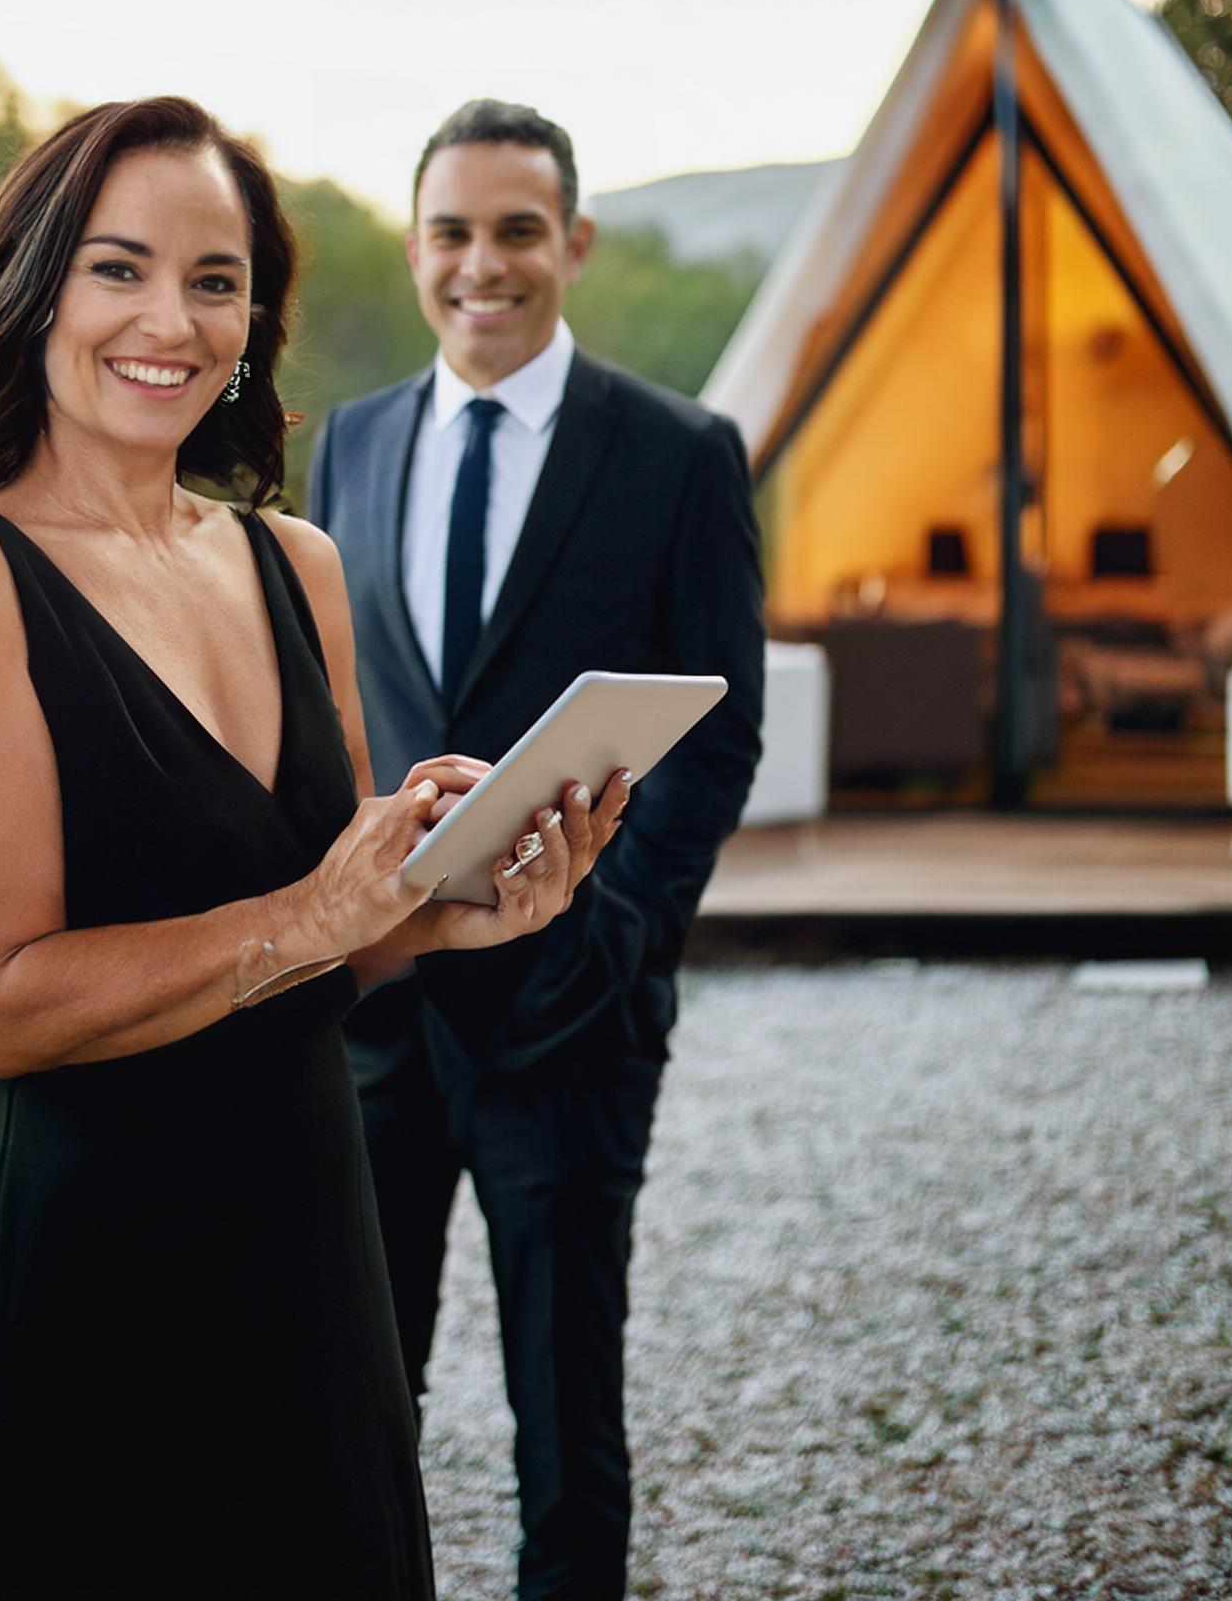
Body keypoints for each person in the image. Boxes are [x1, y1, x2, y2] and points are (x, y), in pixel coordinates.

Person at [0, 95, 628, 1601]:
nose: (173, 320)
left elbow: (338, 945)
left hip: (320, 1249)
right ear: (33, 291)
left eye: (216, 280)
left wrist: (453, 910)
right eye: (118, 268)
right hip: (95, 1275)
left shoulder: (294, 564)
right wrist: (316, 911)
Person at [309, 97, 765, 1600]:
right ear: (416, 245)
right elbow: (342, 722)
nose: (482, 265)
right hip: (377, 1017)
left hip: (573, 1015)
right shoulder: (356, 444)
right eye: (453, 232)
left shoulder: (682, 454)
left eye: (517, 231)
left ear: (571, 242)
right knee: (356, 1406)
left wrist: (615, 941)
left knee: (568, 1417)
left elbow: (720, 736)